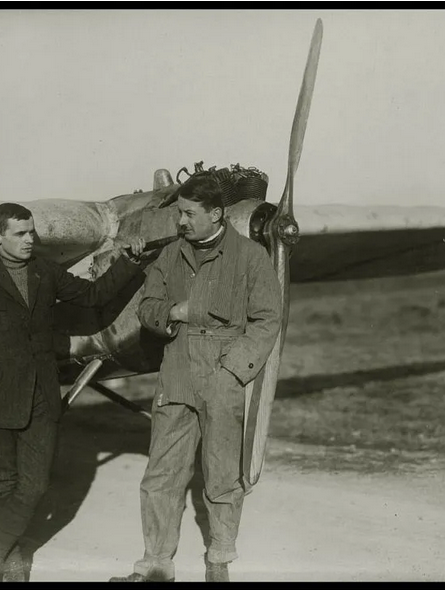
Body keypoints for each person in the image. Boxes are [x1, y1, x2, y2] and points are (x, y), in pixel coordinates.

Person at [0, 202, 145, 582]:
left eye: (31, 232)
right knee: (3, 482)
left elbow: (94, 296)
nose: (29, 240)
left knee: (34, 485)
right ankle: (13, 561)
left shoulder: (45, 272)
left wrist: (130, 263)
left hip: (40, 395)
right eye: (20, 234)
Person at [109, 174, 282, 582]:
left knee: (222, 473)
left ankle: (219, 559)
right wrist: (171, 313)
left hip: (223, 376)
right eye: (178, 213)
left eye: (188, 214)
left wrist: (232, 372)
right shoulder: (170, 256)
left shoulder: (250, 258)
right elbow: (148, 307)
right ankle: (155, 564)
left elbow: (266, 319)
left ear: (216, 214)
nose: (180, 222)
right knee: (161, 474)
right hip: (177, 374)